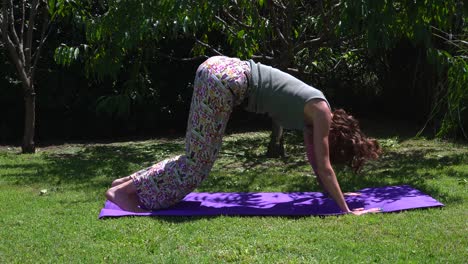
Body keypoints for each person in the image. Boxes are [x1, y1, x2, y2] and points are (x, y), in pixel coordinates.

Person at [105, 56, 382, 215]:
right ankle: (123, 192)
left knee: (195, 156)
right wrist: (346, 211)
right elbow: (324, 165)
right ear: (338, 137)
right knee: (198, 163)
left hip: (220, 71)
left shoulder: (313, 115)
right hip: (226, 80)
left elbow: (318, 165)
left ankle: (127, 182)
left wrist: (337, 197)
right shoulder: (321, 112)